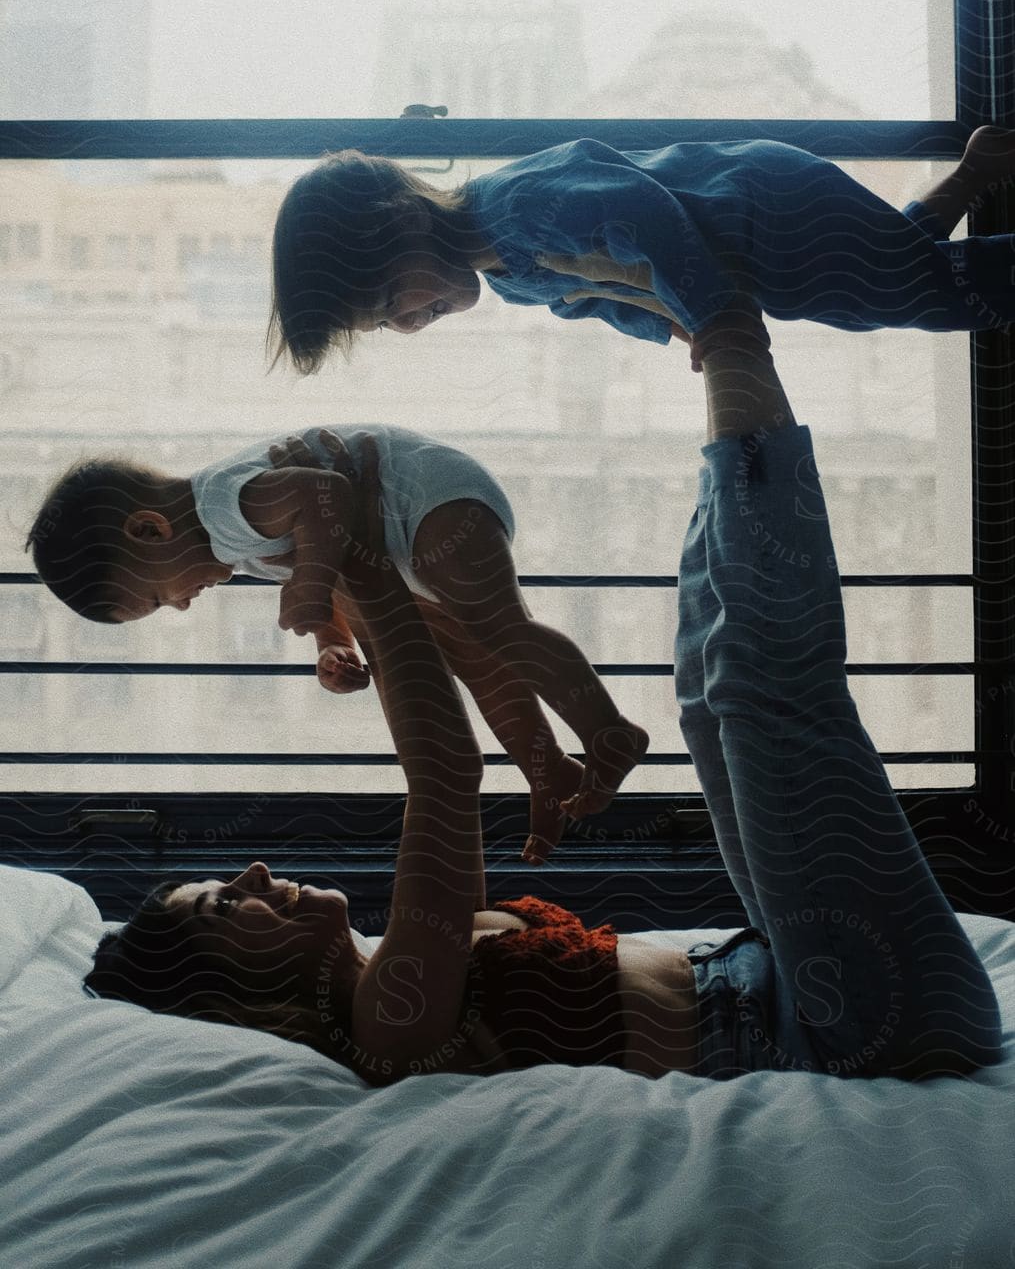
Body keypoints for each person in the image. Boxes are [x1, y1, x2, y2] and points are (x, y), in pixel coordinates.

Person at [83, 330, 1003, 1086]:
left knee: (707, 691)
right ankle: (733, 345)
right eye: (219, 907)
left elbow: (452, 723)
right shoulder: (387, 1022)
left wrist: (372, 596)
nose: (248, 872)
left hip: (787, 973)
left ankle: (734, 380)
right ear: (230, 1002)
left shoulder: (380, 966)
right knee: (756, 690)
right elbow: (445, 778)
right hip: (858, 1023)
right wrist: (360, 568)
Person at [25, 424, 647, 861]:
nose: (183, 604)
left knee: (498, 629)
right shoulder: (229, 541)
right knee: (478, 657)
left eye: (161, 597)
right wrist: (330, 639)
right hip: (411, 526)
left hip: (429, 498)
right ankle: (547, 774)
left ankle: (607, 730)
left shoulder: (219, 506)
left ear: (149, 528)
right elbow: (309, 555)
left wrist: (315, 586)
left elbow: (328, 496)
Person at [267, 125, 1015, 372]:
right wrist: (669, 323)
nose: (404, 323)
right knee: (883, 282)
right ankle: (971, 176)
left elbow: (643, 213)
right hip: (758, 247)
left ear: (401, 221)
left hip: (763, 212)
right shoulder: (513, 277)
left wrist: (714, 313)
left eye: (385, 301)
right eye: (381, 326)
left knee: (915, 290)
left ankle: (978, 219)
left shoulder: (519, 204)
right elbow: (601, 299)